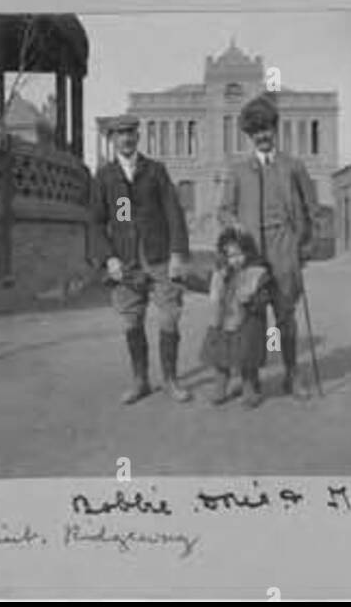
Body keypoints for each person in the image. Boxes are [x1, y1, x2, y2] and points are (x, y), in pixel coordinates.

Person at [217, 93, 317, 399]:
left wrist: (305, 247)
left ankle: (292, 375)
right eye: (255, 131)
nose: (262, 135)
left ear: (275, 129)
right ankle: (250, 379)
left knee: (286, 316)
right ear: (248, 135)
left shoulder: (293, 166)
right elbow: (224, 210)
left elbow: (312, 209)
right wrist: (235, 228)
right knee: (251, 319)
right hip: (251, 257)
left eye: (267, 129)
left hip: (284, 250)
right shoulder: (238, 170)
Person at [90, 114, 192, 405]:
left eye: (131, 132)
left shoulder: (156, 171)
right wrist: (108, 257)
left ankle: (171, 380)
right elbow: (95, 222)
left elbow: (174, 212)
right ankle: (140, 381)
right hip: (125, 261)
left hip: (159, 256)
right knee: (131, 321)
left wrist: (177, 254)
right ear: (113, 139)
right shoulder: (105, 176)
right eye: (120, 134)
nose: (126, 138)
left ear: (138, 135)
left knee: (170, 317)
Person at [201, 228, 270, 408]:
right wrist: (186, 279)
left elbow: (264, 297)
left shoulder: (257, 273)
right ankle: (220, 387)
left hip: (248, 323)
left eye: (239, 254)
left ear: (248, 251)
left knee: (247, 357)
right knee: (221, 356)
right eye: (230, 256)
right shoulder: (222, 273)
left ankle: (250, 389)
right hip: (224, 321)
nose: (235, 259)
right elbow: (208, 286)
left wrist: (254, 300)